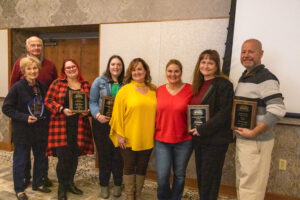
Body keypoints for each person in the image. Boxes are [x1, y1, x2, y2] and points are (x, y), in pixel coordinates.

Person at [234, 39, 286, 200]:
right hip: (244, 140)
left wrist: (254, 132)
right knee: (244, 184)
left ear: (261, 53)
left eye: (251, 51)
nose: (246, 55)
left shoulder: (266, 78)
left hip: (256, 142)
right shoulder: (245, 77)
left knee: (251, 189)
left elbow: (277, 109)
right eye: (243, 52)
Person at [10, 36, 57, 188]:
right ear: (27, 47)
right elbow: (12, 91)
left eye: (39, 45)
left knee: (41, 154)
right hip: (24, 121)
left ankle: (41, 178)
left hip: (41, 120)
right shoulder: (19, 65)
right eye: (33, 45)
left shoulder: (49, 66)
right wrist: (22, 116)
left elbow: (54, 88)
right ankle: (24, 179)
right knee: (22, 156)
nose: (36, 48)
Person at [2, 56, 51, 200]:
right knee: (21, 161)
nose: (32, 71)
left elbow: (46, 106)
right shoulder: (17, 87)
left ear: (38, 70)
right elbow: (6, 108)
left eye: (35, 68)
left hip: (40, 130)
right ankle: (19, 189)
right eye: (29, 68)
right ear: (23, 71)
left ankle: (37, 183)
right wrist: (24, 118)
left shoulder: (42, 86)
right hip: (23, 131)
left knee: (41, 158)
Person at [44, 59, 94, 200]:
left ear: (77, 68)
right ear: (64, 71)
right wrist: (61, 109)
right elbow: (48, 101)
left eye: (73, 67)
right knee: (63, 158)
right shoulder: (57, 83)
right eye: (68, 68)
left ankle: (70, 183)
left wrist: (88, 112)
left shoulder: (85, 85)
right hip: (61, 127)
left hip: (79, 128)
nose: (71, 69)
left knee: (73, 157)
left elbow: (91, 104)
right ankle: (62, 187)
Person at [189, 50, 234, 200]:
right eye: (203, 62)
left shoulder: (224, 84)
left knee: (210, 180)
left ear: (216, 65)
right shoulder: (198, 84)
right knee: (202, 177)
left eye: (210, 62)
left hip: (215, 141)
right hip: (200, 139)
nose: (206, 65)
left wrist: (202, 129)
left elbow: (224, 113)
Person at [109, 58, 156, 200]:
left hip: (147, 135)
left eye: (140, 69)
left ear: (146, 71)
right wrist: (119, 134)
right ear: (130, 72)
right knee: (129, 167)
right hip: (128, 136)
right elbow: (117, 114)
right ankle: (130, 196)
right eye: (134, 70)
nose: (137, 72)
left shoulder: (154, 90)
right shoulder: (124, 90)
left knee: (142, 167)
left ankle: (138, 194)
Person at [154, 59, 193, 200]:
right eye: (170, 71)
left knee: (180, 175)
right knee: (162, 177)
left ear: (181, 72)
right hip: (161, 140)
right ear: (166, 72)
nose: (173, 74)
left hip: (184, 141)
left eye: (176, 71)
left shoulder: (191, 90)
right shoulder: (158, 90)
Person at [89, 55, 125, 199]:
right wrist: (97, 115)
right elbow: (92, 101)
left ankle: (117, 183)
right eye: (113, 64)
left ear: (122, 67)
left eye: (118, 65)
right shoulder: (99, 81)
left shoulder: (127, 83)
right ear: (108, 66)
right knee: (104, 155)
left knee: (118, 156)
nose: (115, 67)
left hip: (120, 126)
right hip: (102, 124)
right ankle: (104, 185)